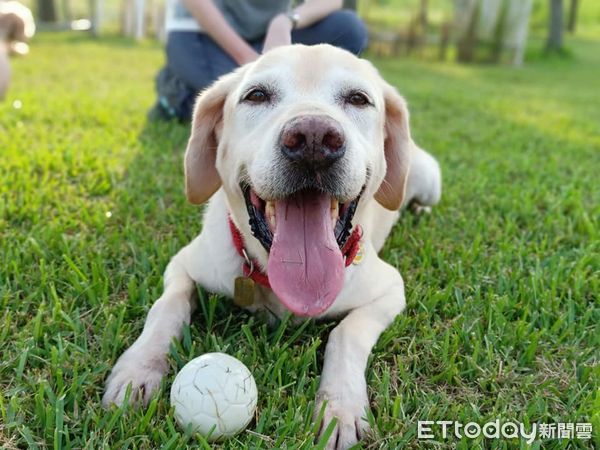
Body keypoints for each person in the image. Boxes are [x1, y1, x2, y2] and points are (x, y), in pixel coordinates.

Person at [151, 0, 368, 121]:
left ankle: (314, 100)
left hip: (267, 35)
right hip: (201, 33)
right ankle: (177, 90)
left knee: (348, 28)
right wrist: (250, 62)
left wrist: (284, 21)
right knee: (227, 102)